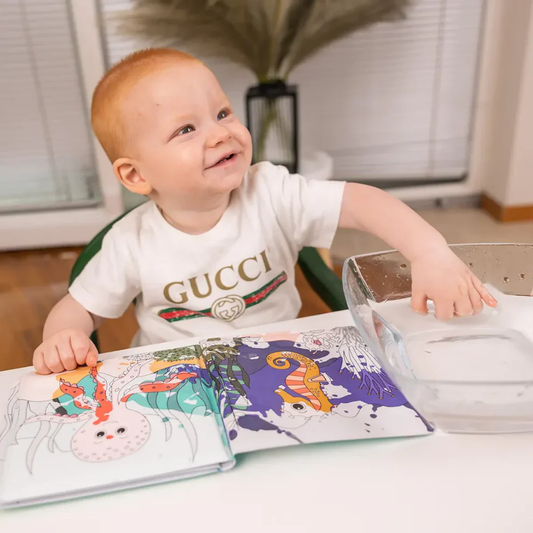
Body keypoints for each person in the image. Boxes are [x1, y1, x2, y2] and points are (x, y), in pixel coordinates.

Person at [33, 48, 497, 375]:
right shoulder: (131, 243)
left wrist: (428, 251)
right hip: (182, 377)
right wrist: (62, 338)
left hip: (281, 362)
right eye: (186, 129)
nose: (221, 134)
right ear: (136, 175)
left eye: (222, 114)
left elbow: (361, 202)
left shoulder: (270, 192)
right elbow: (77, 309)